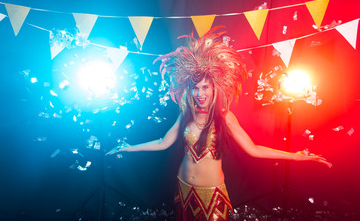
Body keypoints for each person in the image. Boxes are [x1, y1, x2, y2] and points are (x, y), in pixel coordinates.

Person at [107, 27, 331, 221]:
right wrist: (128, 147)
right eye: (196, 88)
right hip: (183, 187)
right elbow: (162, 142)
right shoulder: (185, 113)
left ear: (214, 88)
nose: (200, 93)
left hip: (211, 195)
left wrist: (297, 156)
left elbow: (253, 149)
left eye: (205, 87)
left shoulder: (225, 117)